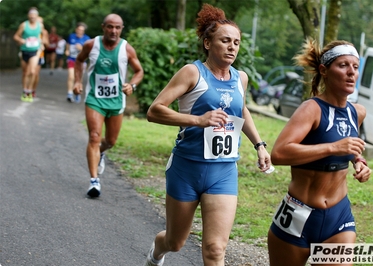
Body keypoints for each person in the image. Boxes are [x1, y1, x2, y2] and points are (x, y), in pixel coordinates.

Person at [144, 4, 271, 266]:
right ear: (207, 43)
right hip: (186, 169)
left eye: (236, 42)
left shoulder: (241, 78)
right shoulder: (192, 72)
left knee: (215, 249)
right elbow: (154, 111)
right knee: (175, 242)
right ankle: (157, 251)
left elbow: (241, 110)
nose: (232, 47)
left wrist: (259, 144)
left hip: (223, 171)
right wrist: (198, 120)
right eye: (225, 40)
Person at [267, 38, 372, 266]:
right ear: (324, 70)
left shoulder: (358, 113)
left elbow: (349, 143)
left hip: (338, 217)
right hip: (298, 214)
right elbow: (279, 153)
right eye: (343, 65)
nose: (351, 73)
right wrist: (333, 148)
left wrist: (359, 161)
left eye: (355, 67)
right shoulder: (311, 109)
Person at [73, 14, 144, 198]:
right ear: (103, 27)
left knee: (110, 141)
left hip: (116, 101)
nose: (114, 31)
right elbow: (79, 61)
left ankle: (100, 153)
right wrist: (77, 82)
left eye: (118, 28)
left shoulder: (126, 49)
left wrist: (132, 85)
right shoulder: (91, 45)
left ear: (121, 29)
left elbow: (139, 71)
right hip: (94, 98)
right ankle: (94, 181)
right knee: (94, 137)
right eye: (110, 27)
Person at [13, 7, 43, 102]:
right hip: (24, 50)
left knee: (33, 71)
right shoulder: (24, 25)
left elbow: (41, 36)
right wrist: (20, 40)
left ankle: (29, 91)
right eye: (31, 15)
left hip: (34, 51)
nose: (32, 17)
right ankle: (24, 90)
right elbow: (16, 36)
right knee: (25, 72)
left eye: (34, 16)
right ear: (29, 16)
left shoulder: (40, 26)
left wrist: (41, 45)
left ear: (37, 16)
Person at [66, 22, 90, 103]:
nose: (80, 31)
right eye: (79, 30)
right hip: (72, 59)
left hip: (82, 62)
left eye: (82, 30)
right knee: (71, 76)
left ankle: (77, 93)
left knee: (79, 78)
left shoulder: (87, 39)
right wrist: (67, 50)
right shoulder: (71, 36)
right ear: (76, 29)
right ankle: (69, 93)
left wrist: (81, 49)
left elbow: (89, 52)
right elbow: (68, 45)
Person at [32, 16, 49, 98]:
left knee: (35, 73)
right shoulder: (31, 30)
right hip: (30, 53)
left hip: (39, 55)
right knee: (27, 73)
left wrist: (43, 42)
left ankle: (33, 90)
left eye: (41, 22)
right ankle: (26, 89)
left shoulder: (44, 32)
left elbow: (47, 44)